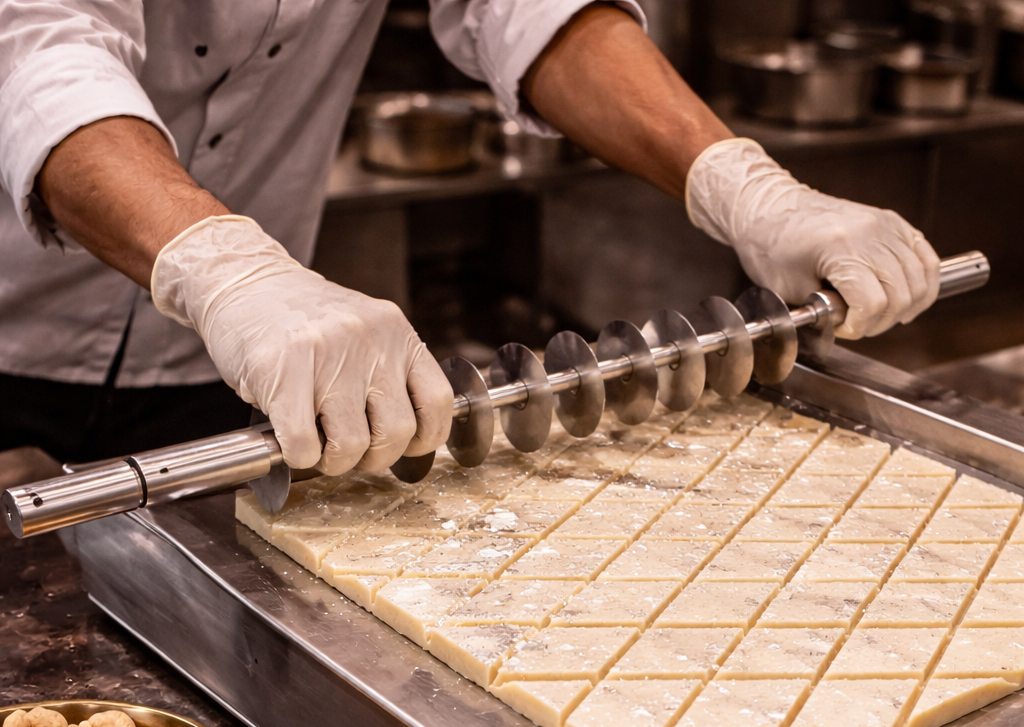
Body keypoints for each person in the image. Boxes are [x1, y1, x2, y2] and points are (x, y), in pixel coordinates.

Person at [0, 1, 940, 476]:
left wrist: (740, 185)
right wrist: (221, 267)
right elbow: (38, 46)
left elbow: (526, 9)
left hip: (248, 352)